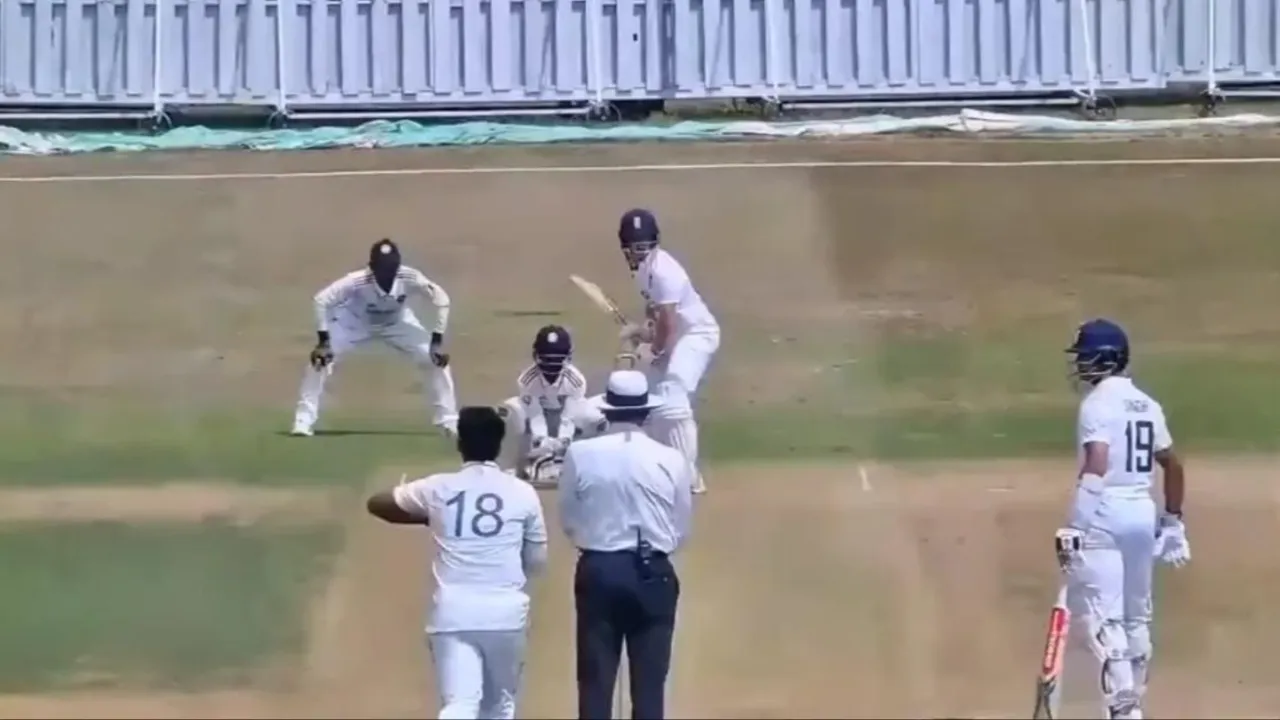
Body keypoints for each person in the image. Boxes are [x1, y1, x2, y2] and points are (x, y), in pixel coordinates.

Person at [366, 406, 548, 720]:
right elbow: (536, 560)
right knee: (500, 707)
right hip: (506, 614)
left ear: (460, 444)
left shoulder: (438, 487)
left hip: (452, 613)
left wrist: (429, 518)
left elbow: (379, 503)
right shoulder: (523, 492)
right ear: (499, 443)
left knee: (460, 705)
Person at [1058, 319, 1190, 720]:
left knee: (1102, 617)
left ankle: (1123, 711)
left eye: (1084, 355)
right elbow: (1172, 464)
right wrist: (1173, 522)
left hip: (1105, 515)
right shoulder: (1148, 404)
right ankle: (1134, 706)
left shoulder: (1097, 404)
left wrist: (1076, 527)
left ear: (1104, 358)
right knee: (1137, 617)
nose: (1080, 364)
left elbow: (1097, 463)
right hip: (1142, 513)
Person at [559, 370, 694, 720]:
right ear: (646, 412)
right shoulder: (672, 458)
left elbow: (569, 520)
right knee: (649, 689)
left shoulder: (579, 453)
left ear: (607, 411)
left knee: (595, 683)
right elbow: (680, 527)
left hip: (599, 570)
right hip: (653, 572)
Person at [292, 238, 459, 438]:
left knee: (435, 361)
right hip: (354, 323)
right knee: (320, 361)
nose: (388, 273)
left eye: (392, 268)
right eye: (383, 269)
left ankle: (449, 422)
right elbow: (321, 299)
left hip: (398, 323)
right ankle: (303, 420)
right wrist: (324, 342)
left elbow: (442, 299)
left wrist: (437, 342)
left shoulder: (410, 277)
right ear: (372, 267)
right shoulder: (357, 280)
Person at [616, 209, 719, 494]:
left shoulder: (663, 270)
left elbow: (670, 322)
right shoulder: (642, 272)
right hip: (678, 335)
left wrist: (654, 350)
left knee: (674, 395)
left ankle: (688, 477)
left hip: (698, 335)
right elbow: (657, 315)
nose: (640, 251)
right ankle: (661, 467)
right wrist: (642, 333)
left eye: (644, 245)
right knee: (653, 401)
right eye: (635, 246)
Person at [497, 324, 599, 485]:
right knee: (510, 410)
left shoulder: (576, 381)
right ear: (536, 355)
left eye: (557, 358)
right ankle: (514, 466)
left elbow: (569, 417)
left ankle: (585, 465)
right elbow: (535, 415)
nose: (552, 364)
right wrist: (542, 443)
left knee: (594, 416)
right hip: (538, 421)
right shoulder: (527, 381)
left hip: (563, 420)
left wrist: (562, 443)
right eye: (547, 358)